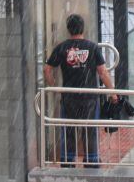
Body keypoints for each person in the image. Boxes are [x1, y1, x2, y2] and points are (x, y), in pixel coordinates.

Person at [44, 14, 118, 168]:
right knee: (89, 129)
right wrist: (112, 92)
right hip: (89, 97)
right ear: (83, 28)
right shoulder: (92, 47)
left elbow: (47, 70)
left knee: (68, 129)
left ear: (68, 29)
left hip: (69, 97)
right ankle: (91, 160)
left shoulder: (62, 47)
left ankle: (67, 161)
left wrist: (55, 87)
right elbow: (103, 72)